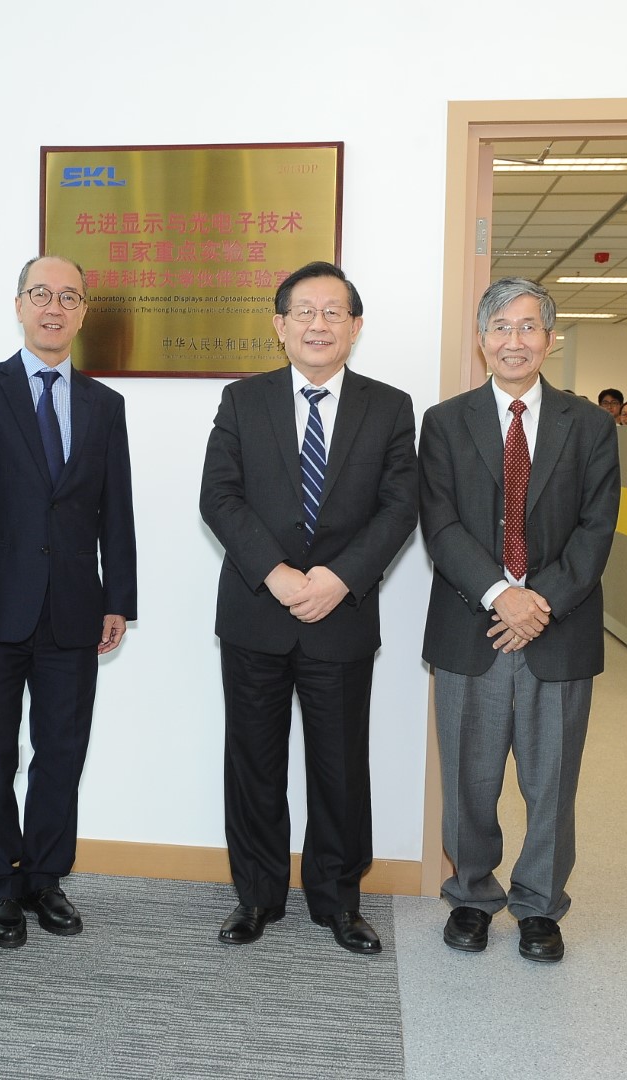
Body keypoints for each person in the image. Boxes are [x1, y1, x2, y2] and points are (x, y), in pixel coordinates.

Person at [199, 261, 419, 954]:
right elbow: (220, 497)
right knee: (254, 763)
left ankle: (338, 899)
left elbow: (399, 506)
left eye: (333, 312)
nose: (317, 324)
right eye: (304, 311)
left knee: (338, 766)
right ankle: (256, 897)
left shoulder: (388, 406)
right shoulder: (242, 400)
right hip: (256, 614)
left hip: (342, 615)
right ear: (279, 325)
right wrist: (277, 575)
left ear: (355, 327)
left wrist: (336, 578)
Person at [418, 278, 619, 962]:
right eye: (500, 327)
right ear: (481, 340)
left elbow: (596, 529)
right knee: (468, 779)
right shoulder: (444, 422)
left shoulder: (588, 423)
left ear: (549, 340)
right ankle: (471, 896)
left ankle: (538, 906)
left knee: (550, 780)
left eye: (527, 327)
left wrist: (538, 601)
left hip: (557, 627)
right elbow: (438, 524)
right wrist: (497, 593)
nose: (513, 340)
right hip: (468, 625)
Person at [0, 255, 137, 949]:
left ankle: (45, 877)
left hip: (73, 610)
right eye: (41, 295)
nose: (54, 308)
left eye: (70, 297)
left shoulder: (103, 405)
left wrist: (119, 597)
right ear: (18, 305)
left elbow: (115, 511)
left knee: (60, 750)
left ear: (84, 312)